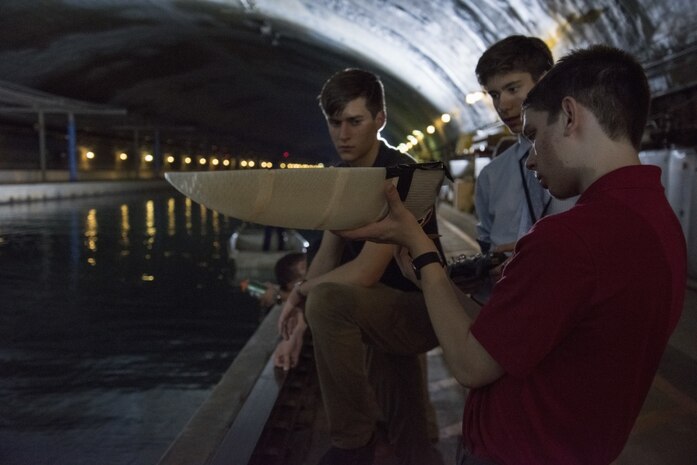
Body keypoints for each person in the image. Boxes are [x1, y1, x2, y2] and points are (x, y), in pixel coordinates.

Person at [335, 45, 687, 465]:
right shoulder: (660, 220)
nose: (532, 159)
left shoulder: (571, 238)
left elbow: (470, 365)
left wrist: (422, 252)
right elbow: (521, 335)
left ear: (571, 116)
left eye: (535, 136)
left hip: (515, 449)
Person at [278, 68, 443, 465]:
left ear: (380, 119)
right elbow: (329, 253)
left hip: (419, 311)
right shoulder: (343, 177)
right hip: (376, 309)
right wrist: (299, 322)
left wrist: (301, 293)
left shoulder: (401, 175)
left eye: (355, 121)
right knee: (412, 434)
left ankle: (353, 443)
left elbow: (365, 271)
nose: (343, 134)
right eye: (334, 123)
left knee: (329, 301)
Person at [473, 36, 575, 272]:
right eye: (495, 95)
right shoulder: (491, 176)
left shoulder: (585, 160)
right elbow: (487, 242)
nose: (503, 105)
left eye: (512, 89)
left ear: (546, 81)